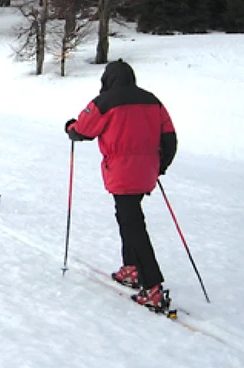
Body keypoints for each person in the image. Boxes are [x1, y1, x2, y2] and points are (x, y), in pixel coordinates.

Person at [65, 59, 178, 309]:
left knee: (132, 223)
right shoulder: (152, 100)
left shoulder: (104, 101)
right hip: (146, 172)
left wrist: (70, 128)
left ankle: (152, 285)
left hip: (121, 172)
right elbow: (170, 138)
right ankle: (132, 268)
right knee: (128, 216)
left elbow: (82, 130)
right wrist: (160, 166)